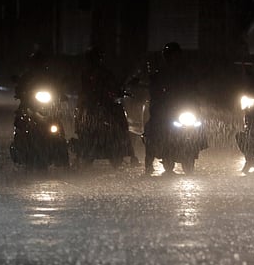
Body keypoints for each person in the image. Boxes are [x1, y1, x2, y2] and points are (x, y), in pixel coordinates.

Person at [77, 46, 139, 166]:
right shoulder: (88, 73)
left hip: (103, 104)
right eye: (94, 58)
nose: (96, 61)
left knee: (121, 124)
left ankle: (130, 153)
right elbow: (84, 90)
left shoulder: (103, 73)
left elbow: (113, 87)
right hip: (93, 106)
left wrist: (119, 92)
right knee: (84, 126)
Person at [143, 41, 198, 174]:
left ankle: (194, 150)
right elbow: (153, 89)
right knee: (152, 129)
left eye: (175, 55)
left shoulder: (187, 73)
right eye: (170, 55)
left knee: (196, 126)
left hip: (182, 108)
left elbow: (194, 89)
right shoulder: (159, 73)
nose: (173, 58)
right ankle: (149, 161)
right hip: (164, 110)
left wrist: (195, 101)